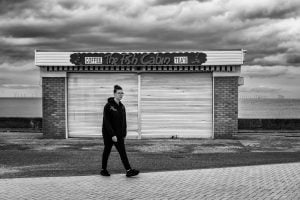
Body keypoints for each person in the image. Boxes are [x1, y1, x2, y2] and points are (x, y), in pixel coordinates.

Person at [100, 85, 139, 177]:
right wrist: (112, 135)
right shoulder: (108, 106)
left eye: (122, 93)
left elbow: (123, 121)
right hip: (108, 134)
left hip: (119, 134)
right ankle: (103, 170)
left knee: (122, 152)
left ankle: (129, 170)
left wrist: (124, 132)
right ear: (114, 94)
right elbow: (106, 122)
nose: (121, 95)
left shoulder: (122, 106)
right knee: (107, 150)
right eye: (119, 93)